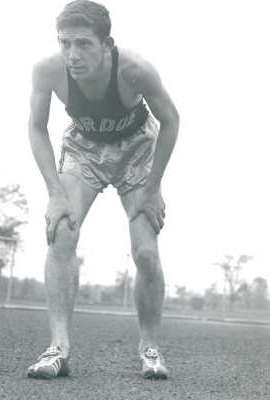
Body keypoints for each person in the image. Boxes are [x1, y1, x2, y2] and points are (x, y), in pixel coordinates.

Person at [27, 0, 179, 379]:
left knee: (145, 250)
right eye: (65, 43)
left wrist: (153, 186)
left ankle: (150, 348)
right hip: (85, 148)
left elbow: (172, 121)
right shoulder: (48, 71)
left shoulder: (135, 70)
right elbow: (36, 127)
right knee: (61, 231)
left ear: (107, 44)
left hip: (137, 148)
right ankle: (58, 348)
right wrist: (56, 193)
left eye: (83, 44)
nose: (72, 55)